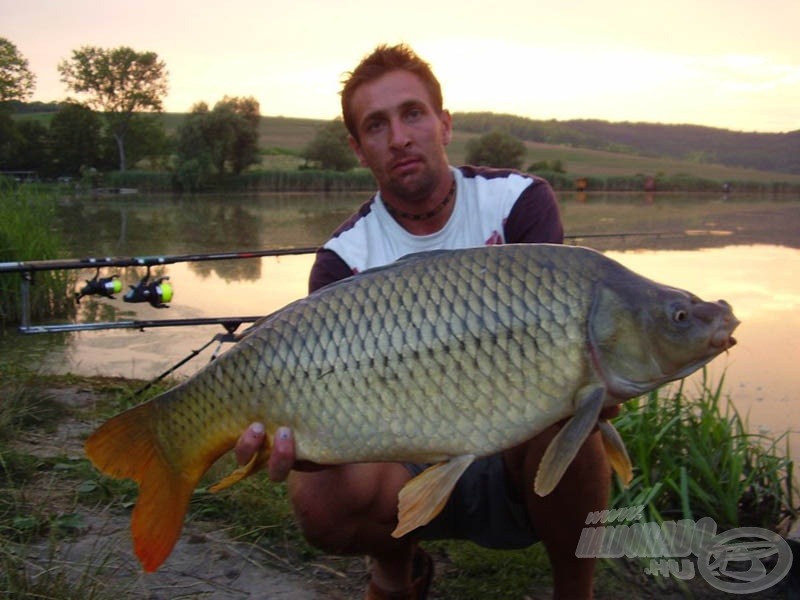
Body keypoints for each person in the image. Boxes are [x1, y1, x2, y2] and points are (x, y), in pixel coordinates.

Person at [236, 43, 615, 600]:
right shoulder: (344, 257)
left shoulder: (519, 202)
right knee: (316, 497)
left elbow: (563, 342)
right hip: (401, 453)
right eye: (376, 125)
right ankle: (396, 567)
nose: (399, 136)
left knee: (574, 410)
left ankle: (574, 591)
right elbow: (336, 416)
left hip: (518, 445)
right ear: (358, 149)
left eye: (412, 113)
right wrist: (304, 449)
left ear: (443, 123)